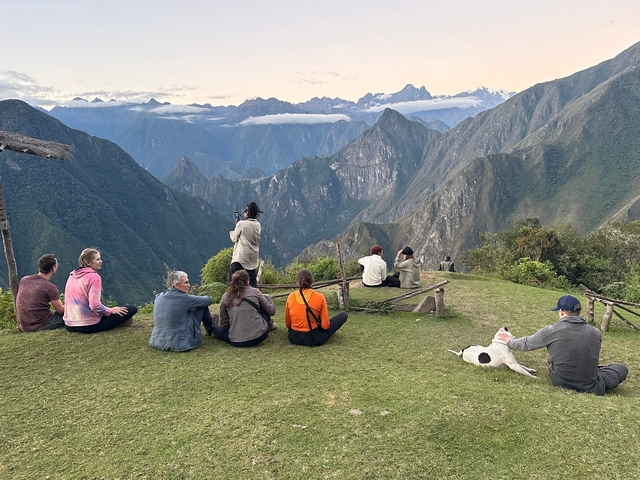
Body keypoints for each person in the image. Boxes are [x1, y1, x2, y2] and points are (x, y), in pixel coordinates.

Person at [498, 295, 628, 395]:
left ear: (561, 311)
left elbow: (526, 344)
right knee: (621, 368)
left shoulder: (551, 330)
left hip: (559, 380)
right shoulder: (595, 333)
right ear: (578, 312)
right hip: (591, 385)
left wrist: (509, 341)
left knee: (596, 369)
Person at [64, 248, 137, 333]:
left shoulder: (72, 275)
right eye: (97, 259)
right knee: (131, 308)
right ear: (88, 262)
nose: (101, 261)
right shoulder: (94, 278)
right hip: (89, 326)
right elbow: (94, 305)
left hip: (69, 325)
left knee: (112, 310)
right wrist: (110, 310)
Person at [148, 271, 216, 352]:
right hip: (181, 344)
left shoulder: (159, 297)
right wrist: (197, 299)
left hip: (157, 342)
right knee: (202, 305)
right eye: (186, 283)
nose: (189, 285)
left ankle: (210, 329)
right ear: (176, 285)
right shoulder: (185, 299)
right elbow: (208, 300)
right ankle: (210, 329)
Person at [212, 269, 275, 347]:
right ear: (248, 281)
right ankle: (269, 324)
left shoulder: (226, 297)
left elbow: (224, 325)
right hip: (259, 336)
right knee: (264, 308)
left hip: (236, 340)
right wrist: (268, 298)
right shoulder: (255, 292)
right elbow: (271, 311)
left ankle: (211, 327)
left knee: (215, 329)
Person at [285, 269, 347, 347]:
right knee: (343, 315)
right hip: (312, 338)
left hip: (293, 337)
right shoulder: (319, 297)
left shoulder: (291, 296)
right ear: (312, 281)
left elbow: (288, 324)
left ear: (298, 282)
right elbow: (325, 326)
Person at [16, 254, 65, 332]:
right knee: (69, 315)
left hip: (25, 325)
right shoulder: (50, 287)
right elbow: (61, 310)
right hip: (41, 324)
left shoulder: (24, 280)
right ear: (53, 268)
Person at [228, 201, 262, 288]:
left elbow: (234, 238)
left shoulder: (241, 224)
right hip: (252, 260)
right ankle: (254, 300)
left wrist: (234, 229)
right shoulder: (258, 225)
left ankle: (231, 300)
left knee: (233, 285)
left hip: (240, 259)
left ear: (247, 213)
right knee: (252, 285)